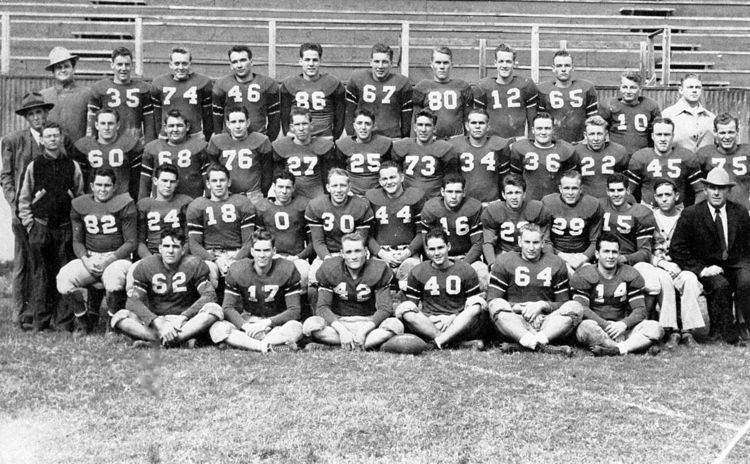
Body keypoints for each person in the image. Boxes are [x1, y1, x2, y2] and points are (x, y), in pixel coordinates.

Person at [670, 167, 750, 345]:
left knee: (746, 280)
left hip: (735, 264)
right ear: (705, 189)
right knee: (720, 284)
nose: (716, 192)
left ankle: (744, 324)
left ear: (728, 190)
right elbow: (677, 248)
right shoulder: (691, 214)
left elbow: (748, 245)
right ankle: (725, 333)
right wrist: (702, 269)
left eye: (721, 188)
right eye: (712, 188)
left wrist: (745, 265)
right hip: (706, 266)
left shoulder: (740, 212)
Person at [18, 122, 84, 331]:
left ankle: (63, 322)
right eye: (48, 136)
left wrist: (75, 226)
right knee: (41, 275)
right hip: (41, 227)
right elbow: (24, 198)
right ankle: (41, 321)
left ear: (61, 138)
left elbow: (80, 196)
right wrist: (30, 225)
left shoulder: (72, 165)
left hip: (65, 228)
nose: (53, 139)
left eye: (56, 135)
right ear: (43, 140)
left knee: (64, 274)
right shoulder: (34, 166)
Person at [57, 167, 136, 333]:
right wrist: (86, 260)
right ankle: (82, 319)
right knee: (63, 278)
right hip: (91, 258)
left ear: (115, 187)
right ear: (92, 186)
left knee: (114, 280)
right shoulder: (80, 205)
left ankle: (112, 324)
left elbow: (131, 242)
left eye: (107, 185)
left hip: (117, 258)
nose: (102, 189)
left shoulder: (124, 203)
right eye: (99, 184)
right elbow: (77, 241)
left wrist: (108, 260)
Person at [110, 229, 222, 347]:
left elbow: (210, 295)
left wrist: (184, 316)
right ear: (160, 249)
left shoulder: (194, 263)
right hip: (156, 321)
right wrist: (157, 322)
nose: (170, 251)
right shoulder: (146, 265)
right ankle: (179, 340)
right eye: (166, 246)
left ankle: (157, 342)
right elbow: (133, 301)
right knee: (121, 316)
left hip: (186, 322)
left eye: (175, 247)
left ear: (183, 250)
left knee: (214, 309)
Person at [1, 92, 56, 329]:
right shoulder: (14, 140)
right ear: (26, 117)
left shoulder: (53, 137)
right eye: (32, 114)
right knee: (23, 262)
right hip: (23, 212)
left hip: (46, 213)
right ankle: (19, 310)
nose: (37, 117)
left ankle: (39, 310)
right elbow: (6, 176)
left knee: (42, 262)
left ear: (46, 114)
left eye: (40, 112)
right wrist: (15, 205)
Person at [487, 223, 583, 354]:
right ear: (520, 242)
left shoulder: (556, 262)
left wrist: (542, 306)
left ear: (543, 243)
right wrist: (523, 308)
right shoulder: (504, 261)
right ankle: (540, 345)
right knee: (496, 305)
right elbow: (492, 300)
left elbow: (563, 303)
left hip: (547, 323)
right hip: (516, 321)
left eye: (536, 242)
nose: (531, 247)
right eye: (527, 242)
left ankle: (528, 343)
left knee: (575, 306)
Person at [303, 232, 403, 350]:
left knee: (395, 326)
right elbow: (322, 307)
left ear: (366, 252)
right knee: (310, 325)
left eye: (357, 251)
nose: (354, 256)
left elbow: (385, 308)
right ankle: (366, 344)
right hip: (339, 321)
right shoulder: (330, 268)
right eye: (349, 252)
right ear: (342, 254)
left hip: (369, 321)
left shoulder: (379, 268)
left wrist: (364, 331)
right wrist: (342, 331)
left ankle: (337, 345)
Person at [209, 229, 304, 352]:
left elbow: (294, 310)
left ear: (274, 251)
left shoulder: (287, 268)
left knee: (296, 327)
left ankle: (247, 344)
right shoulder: (238, 269)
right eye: (258, 250)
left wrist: (266, 323)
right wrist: (245, 326)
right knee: (217, 328)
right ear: (252, 251)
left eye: (266, 250)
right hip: (249, 321)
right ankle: (264, 346)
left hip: (275, 324)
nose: (262, 255)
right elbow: (227, 307)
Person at [572, 232, 664, 356]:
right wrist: (606, 326)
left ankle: (615, 349)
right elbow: (582, 309)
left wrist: (623, 324)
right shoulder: (584, 274)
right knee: (585, 328)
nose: (611, 256)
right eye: (606, 251)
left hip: (622, 327)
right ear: (597, 254)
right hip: (598, 326)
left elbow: (640, 310)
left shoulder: (630, 273)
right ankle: (630, 347)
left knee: (655, 327)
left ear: (619, 254)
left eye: (614, 252)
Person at [396, 227, 488, 350]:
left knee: (477, 306)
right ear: (427, 250)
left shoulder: (466, 269)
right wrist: (431, 318)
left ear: (448, 247)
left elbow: (472, 307)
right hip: (431, 324)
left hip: (458, 323)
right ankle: (450, 342)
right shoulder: (418, 271)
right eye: (432, 249)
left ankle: (439, 341)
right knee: (406, 310)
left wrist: (453, 317)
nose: (437, 253)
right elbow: (412, 306)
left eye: (440, 248)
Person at [600, 173, 669, 323]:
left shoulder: (640, 213)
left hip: (632, 259)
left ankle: (645, 321)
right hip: (603, 259)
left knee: (652, 283)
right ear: (607, 191)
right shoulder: (599, 207)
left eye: (620, 190)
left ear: (628, 191)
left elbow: (645, 252)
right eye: (612, 190)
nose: (616, 194)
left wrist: (624, 258)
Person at [651, 178, 706, 348]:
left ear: (677, 196)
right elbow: (645, 250)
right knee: (665, 280)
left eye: (668, 194)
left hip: (682, 265)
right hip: (658, 265)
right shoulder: (649, 217)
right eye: (660, 195)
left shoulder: (687, 216)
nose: (664, 199)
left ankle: (688, 331)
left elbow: (695, 248)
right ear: (655, 197)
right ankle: (672, 330)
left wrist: (682, 265)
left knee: (689, 280)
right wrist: (662, 263)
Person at [305, 169, 374, 295]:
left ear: (349, 187)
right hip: (327, 254)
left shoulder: (361, 205)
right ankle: (317, 314)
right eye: (335, 185)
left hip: (354, 252)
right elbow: (318, 241)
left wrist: (346, 258)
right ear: (328, 187)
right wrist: (328, 259)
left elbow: (360, 241)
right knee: (314, 280)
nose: (338, 190)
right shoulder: (316, 205)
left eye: (342, 185)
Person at [186, 163, 256, 284]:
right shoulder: (197, 206)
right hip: (211, 254)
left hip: (237, 252)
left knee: (242, 270)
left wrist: (236, 259)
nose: (218, 184)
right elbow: (194, 243)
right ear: (208, 184)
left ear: (229, 182)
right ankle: (211, 301)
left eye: (222, 180)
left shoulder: (242, 203)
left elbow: (249, 240)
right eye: (214, 181)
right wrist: (214, 260)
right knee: (208, 271)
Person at [420, 172, 488, 287]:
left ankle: (478, 303)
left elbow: (478, 243)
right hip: (439, 257)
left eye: (457, 192)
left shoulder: (473, 207)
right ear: (442, 192)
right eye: (449, 192)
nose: (453, 196)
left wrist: (462, 264)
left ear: (464, 193)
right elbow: (426, 243)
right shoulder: (431, 208)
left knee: (482, 271)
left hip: (466, 257)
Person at [366, 161, 425, 291]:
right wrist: (382, 254)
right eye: (384, 179)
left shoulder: (415, 196)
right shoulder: (372, 198)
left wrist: (407, 253)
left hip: (408, 253)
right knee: (372, 275)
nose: (389, 182)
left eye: (392, 177)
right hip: (381, 254)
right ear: (380, 182)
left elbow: (421, 233)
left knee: (413, 273)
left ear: (402, 177)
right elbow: (367, 235)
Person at [254, 170, 313, 294]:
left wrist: (298, 257)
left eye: (288, 187)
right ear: (274, 187)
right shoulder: (263, 207)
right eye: (280, 187)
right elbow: (257, 240)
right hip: (271, 256)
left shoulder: (303, 206)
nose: (284, 191)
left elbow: (313, 242)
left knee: (304, 274)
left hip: (296, 257)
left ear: (293, 188)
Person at [626, 117, 704, 207]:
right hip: (649, 210)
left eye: (666, 135)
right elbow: (627, 191)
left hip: (678, 210)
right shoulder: (640, 157)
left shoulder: (686, 156)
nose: (663, 139)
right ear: (652, 136)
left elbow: (700, 191)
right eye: (659, 134)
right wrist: (638, 211)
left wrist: (694, 213)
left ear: (673, 136)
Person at [206, 105, 273, 203]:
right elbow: (213, 170)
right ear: (227, 124)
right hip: (226, 195)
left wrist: (263, 192)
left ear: (248, 122)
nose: (237, 126)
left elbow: (267, 172)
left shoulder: (261, 140)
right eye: (233, 122)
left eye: (241, 121)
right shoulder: (217, 141)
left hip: (253, 195)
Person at [87, 47, 155, 143]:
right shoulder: (99, 89)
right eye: (119, 64)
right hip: (108, 144)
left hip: (134, 144)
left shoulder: (144, 89)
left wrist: (149, 147)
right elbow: (92, 123)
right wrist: (92, 144)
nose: (123, 68)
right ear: (112, 65)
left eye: (127, 65)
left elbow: (149, 125)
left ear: (132, 66)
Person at [481, 174, 551, 266]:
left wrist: (549, 262)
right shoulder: (493, 210)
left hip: (531, 254)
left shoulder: (536, 208)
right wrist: (492, 264)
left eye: (517, 192)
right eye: (510, 193)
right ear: (503, 195)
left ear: (524, 194)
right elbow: (488, 242)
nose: (514, 197)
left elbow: (545, 241)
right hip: (504, 253)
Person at [345, 43, 413, 138]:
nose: (380, 66)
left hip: (391, 138)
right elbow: (349, 113)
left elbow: (406, 119)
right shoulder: (357, 79)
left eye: (384, 62)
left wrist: (403, 139)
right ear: (371, 62)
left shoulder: (402, 83)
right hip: (364, 139)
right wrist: (351, 135)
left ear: (391, 64)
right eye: (376, 61)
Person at [212, 45, 280, 139]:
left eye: (243, 60)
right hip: (231, 140)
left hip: (258, 140)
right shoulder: (221, 85)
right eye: (235, 62)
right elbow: (217, 119)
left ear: (251, 62)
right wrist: (222, 140)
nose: (239, 65)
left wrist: (269, 139)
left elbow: (274, 119)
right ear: (231, 65)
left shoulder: (267, 84)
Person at [280, 43, 345, 139]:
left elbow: (340, 118)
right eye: (307, 60)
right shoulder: (289, 84)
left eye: (315, 60)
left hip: (324, 138)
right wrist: (289, 134)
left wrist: (334, 138)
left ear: (320, 61)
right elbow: (284, 117)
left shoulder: (333, 84)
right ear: (300, 61)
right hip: (298, 139)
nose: (311, 64)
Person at [542, 170, 603, 273]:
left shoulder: (593, 204)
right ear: (560, 189)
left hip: (582, 256)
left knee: (587, 274)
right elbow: (545, 240)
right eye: (566, 188)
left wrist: (583, 258)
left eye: (574, 188)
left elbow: (595, 241)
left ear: (581, 189)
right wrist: (563, 257)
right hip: (556, 254)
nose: (570, 193)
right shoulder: (548, 203)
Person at [473, 43, 538, 139]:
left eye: (508, 61)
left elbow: (532, 121)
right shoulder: (483, 87)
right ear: (495, 63)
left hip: (518, 142)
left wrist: (530, 143)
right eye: (501, 61)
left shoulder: (526, 85)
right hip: (492, 142)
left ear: (514, 63)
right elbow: (478, 121)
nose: (504, 65)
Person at [139, 109, 209, 199]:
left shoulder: (200, 147)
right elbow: (145, 182)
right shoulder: (152, 148)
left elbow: (208, 179)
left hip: (191, 203)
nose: (175, 129)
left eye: (179, 125)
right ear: (165, 128)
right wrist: (142, 203)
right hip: (163, 206)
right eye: (171, 126)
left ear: (187, 127)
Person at [74, 108, 143, 198]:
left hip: (121, 200)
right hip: (93, 200)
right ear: (96, 125)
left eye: (110, 124)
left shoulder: (130, 144)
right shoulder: (84, 146)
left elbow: (136, 180)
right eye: (103, 123)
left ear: (117, 125)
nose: (106, 128)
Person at [448, 108, 512, 204]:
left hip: (492, 202)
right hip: (465, 203)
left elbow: (505, 179)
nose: (477, 126)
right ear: (467, 126)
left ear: (488, 126)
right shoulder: (456, 145)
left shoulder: (499, 145)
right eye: (473, 123)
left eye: (481, 123)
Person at [509, 111, 576, 201]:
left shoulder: (565, 149)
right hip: (529, 203)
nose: (543, 132)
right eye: (539, 128)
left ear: (553, 129)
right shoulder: (520, 148)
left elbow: (571, 182)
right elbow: (515, 180)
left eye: (547, 128)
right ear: (533, 130)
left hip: (556, 202)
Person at [391, 109, 457, 198]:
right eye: (420, 125)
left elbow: (450, 179)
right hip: (407, 199)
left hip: (434, 200)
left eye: (428, 125)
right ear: (414, 127)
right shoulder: (403, 146)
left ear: (434, 128)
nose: (423, 129)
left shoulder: (445, 149)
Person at [151, 46, 213, 140]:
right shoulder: (159, 83)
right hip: (168, 137)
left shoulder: (203, 83)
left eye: (184, 63)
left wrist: (207, 139)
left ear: (190, 64)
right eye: (177, 63)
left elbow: (208, 117)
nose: (180, 67)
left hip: (194, 136)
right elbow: (157, 117)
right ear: (170, 64)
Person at [272, 107, 335, 200]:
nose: (301, 128)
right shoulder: (281, 146)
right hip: (290, 196)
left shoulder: (323, 146)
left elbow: (327, 175)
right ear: (292, 127)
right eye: (297, 124)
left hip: (316, 195)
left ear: (311, 125)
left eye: (304, 124)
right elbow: (278, 175)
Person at [537, 50, 598, 143]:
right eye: (559, 66)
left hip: (580, 143)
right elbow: (539, 122)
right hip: (552, 145)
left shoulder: (586, 88)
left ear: (573, 68)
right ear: (553, 68)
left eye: (567, 65)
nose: (563, 69)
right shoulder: (543, 90)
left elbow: (593, 121)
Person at [412, 46, 473, 139]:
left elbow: (468, 119)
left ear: (451, 65)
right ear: (431, 64)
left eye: (445, 63)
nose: (441, 67)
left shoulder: (462, 86)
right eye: (438, 62)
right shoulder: (422, 87)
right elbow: (415, 121)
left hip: (456, 140)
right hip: (431, 141)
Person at [136, 163, 192, 259]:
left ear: (177, 183)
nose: (168, 185)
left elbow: (189, 239)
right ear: (155, 181)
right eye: (164, 181)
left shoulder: (185, 202)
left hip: (178, 254)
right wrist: (150, 260)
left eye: (172, 181)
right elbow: (139, 241)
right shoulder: (144, 205)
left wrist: (180, 256)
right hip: (152, 254)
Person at [598, 71, 660, 156]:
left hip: (643, 156)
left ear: (640, 89)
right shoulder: (609, 105)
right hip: (616, 156)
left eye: (633, 87)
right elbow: (599, 133)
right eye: (624, 87)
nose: (628, 91)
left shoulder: (651, 106)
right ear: (619, 88)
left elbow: (657, 133)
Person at [696, 112, 750, 210]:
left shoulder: (747, 152)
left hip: (743, 211)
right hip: (715, 212)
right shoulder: (705, 154)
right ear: (715, 133)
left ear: (737, 132)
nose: (727, 137)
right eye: (722, 133)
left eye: (731, 132)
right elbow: (697, 186)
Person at [335, 108, 393, 196]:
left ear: (373, 126)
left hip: (378, 193)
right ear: (354, 125)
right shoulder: (343, 144)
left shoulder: (384, 143)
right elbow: (339, 172)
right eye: (359, 123)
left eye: (367, 124)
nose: (363, 127)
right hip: (352, 194)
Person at [40, 47, 92, 142]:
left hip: (78, 151)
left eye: (66, 66)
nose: (63, 70)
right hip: (52, 151)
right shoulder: (44, 95)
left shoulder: (87, 93)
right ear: (53, 72)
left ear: (73, 68)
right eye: (59, 67)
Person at [573, 115, 629, 198]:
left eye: (599, 134)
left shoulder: (619, 151)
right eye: (592, 134)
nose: (596, 138)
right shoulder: (575, 152)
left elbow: (624, 181)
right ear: (585, 135)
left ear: (606, 134)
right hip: (584, 201)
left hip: (611, 201)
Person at [662, 73, 715, 153]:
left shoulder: (710, 117)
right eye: (690, 87)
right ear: (681, 90)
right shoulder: (668, 115)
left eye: (697, 87)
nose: (694, 90)